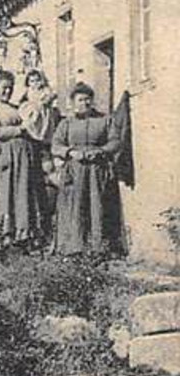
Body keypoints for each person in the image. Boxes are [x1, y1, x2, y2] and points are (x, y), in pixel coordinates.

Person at [51, 82, 124, 256]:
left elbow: (115, 141)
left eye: (88, 100)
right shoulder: (66, 123)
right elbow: (55, 146)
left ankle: (97, 248)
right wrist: (70, 152)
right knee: (74, 207)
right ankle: (73, 247)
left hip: (96, 171)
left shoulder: (104, 120)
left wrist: (101, 151)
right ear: (73, 102)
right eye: (81, 100)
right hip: (74, 171)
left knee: (97, 205)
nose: (85, 103)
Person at [0, 69, 47, 248]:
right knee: (7, 192)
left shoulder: (15, 108)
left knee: (24, 192)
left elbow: (33, 125)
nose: (7, 92)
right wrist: (21, 129)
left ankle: (25, 233)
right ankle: (6, 234)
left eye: (10, 88)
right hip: (7, 156)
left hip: (24, 156)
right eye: (4, 88)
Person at [18, 68, 60, 239]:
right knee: (34, 180)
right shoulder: (28, 98)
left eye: (38, 80)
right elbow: (28, 118)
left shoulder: (46, 94)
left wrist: (46, 102)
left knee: (48, 175)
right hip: (33, 139)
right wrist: (38, 106)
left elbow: (52, 97)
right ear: (28, 83)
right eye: (32, 81)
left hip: (46, 140)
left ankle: (49, 222)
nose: (36, 83)